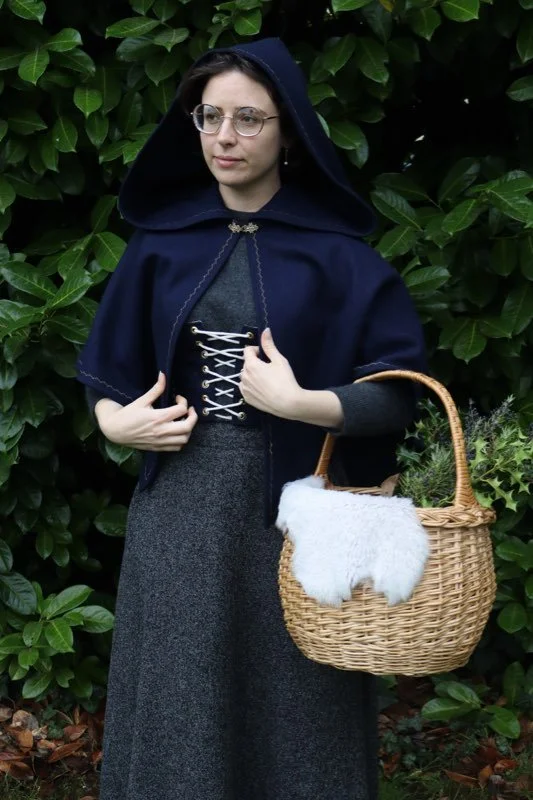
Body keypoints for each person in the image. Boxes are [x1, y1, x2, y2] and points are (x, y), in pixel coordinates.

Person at [77, 37, 426, 800]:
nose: (224, 138)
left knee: (299, 704)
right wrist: (113, 422)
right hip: (181, 507)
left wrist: (304, 404)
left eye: (247, 119)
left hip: (301, 517)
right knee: (179, 694)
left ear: (288, 131)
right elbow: (106, 368)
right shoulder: (160, 244)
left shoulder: (343, 259)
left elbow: (399, 392)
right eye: (209, 118)